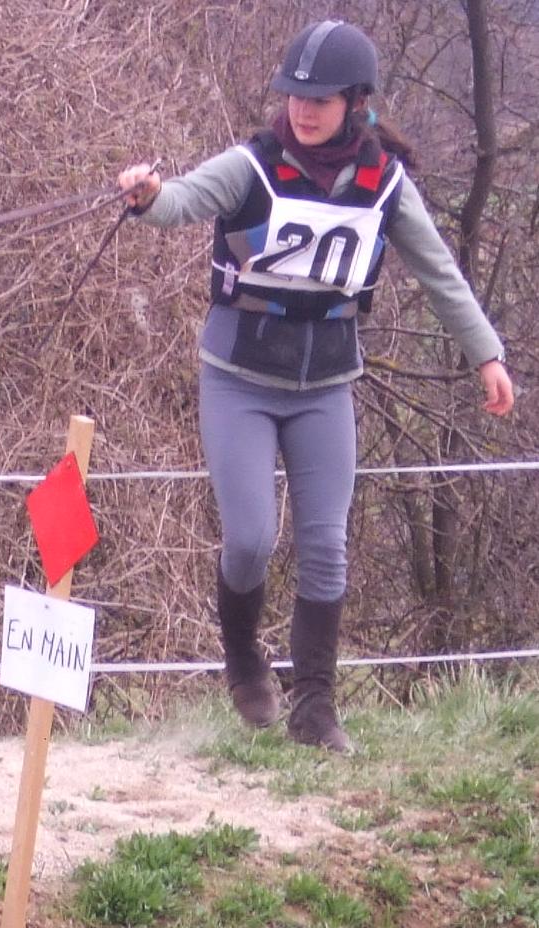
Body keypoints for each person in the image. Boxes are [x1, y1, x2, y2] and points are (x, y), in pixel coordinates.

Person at [117, 19, 515, 753]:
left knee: (326, 546)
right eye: (293, 96)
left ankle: (314, 710)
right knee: (249, 541)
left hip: (325, 386)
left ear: (354, 102)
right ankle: (242, 662)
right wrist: (146, 194)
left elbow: (438, 272)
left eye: (320, 99)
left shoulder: (384, 182)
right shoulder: (252, 165)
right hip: (238, 381)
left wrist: (484, 353)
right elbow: (181, 202)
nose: (302, 110)